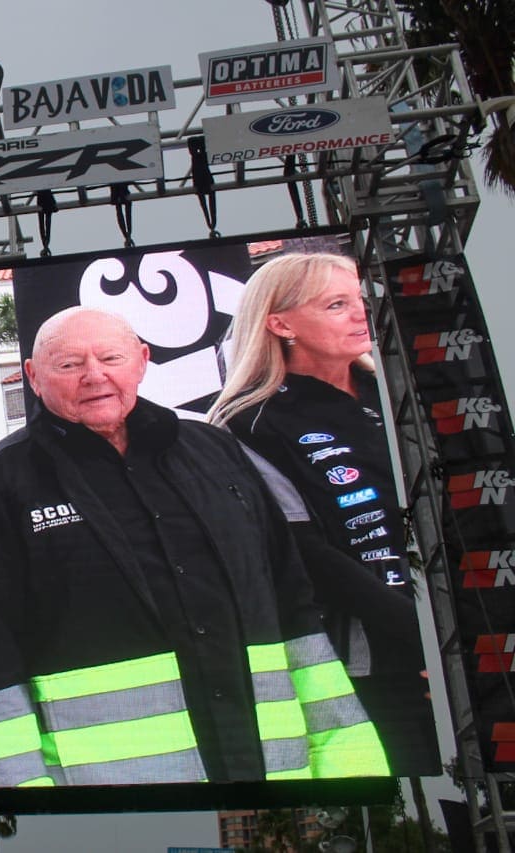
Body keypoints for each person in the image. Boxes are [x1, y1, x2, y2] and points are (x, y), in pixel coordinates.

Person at [0, 307, 389, 787]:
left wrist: (349, 768)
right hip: (116, 807)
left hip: (277, 784)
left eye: (111, 357)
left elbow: (295, 609)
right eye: (69, 365)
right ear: (33, 375)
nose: (95, 376)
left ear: (142, 360)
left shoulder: (217, 453)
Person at [208, 252, 438, 776]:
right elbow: (304, 553)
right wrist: (425, 638)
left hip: (474, 630)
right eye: (337, 304)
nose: (360, 314)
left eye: (360, 300)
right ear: (280, 322)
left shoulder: (400, 391)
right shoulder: (247, 421)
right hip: (375, 663)